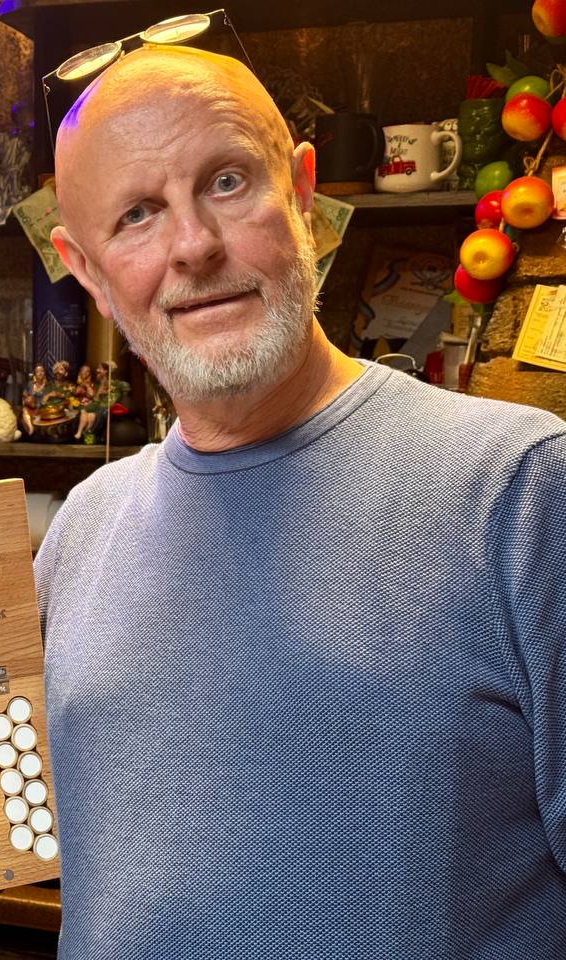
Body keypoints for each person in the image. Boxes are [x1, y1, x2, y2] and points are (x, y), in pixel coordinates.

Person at [39, 45, 566, 958]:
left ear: (305, 197)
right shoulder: (80, 532)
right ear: (85, 270)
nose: (194, 245)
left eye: (228, 182)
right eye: (137, 215)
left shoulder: (522, 495)